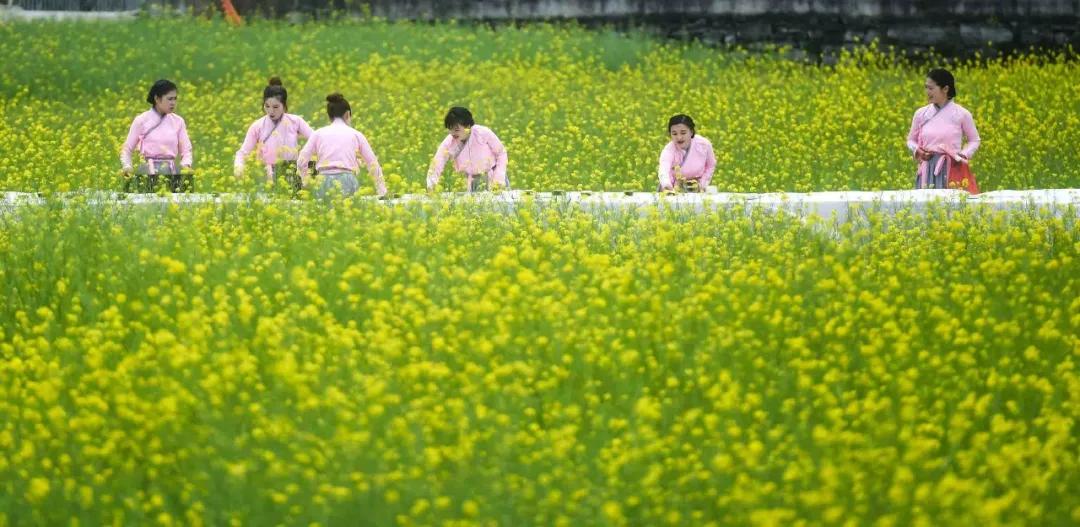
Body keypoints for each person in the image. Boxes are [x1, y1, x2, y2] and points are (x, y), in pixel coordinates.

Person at [297, 93, 387, 198]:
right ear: (347, 114)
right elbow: (372, 163)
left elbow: (301, 161)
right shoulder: (356, 134)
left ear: (329, 116)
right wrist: (382, 191)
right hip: (347, 181)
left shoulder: (318, 133)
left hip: (322, 182)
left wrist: (306, 181)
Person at [906, 68, 981, 192]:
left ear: (945, 89)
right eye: (926, 88)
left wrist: (963, 154)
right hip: (927, 168)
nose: (927, 92)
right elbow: (911, 140)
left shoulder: (961, 114)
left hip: (953, 168)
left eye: (931, 88)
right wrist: (917, 150)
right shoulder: (921, 114)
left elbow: (974, 140)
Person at [234, 77, 314, 188]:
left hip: (291, 173)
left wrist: (304, 159)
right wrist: (239, 167)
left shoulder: (295, 121)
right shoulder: (257, 126)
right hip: (266, 175)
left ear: (284, 106)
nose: (271, 111)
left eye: (276, 107)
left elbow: (316, 139)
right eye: (267, 106)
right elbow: (242, 153)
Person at [120, 79, 193, 190]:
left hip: (172, 171)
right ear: (157, 99)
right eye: (169, 99)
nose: (173, 103)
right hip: (147, 171)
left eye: (175, 99)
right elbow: (127, 149)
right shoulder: (141, 120)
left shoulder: (178, 121)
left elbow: (186, 149)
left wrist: (186, 165)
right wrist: (127, 166)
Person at [426, 107, 509, 192]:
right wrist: (431, 185)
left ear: (468, 126)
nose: (452, 133)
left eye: (456, 130)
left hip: (494, 177)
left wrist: (498, 180)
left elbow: (501, 153)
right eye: (450, 129)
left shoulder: (482, 133)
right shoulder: (450, 142)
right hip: (472, 183)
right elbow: (437, 162)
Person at [657, 114, 716, 192]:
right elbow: (663, 170)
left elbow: (711, 165)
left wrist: (702, 184)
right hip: (674, 186)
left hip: (696, 186)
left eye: (683, 133)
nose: (679, 137)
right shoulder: (669, 150)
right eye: (674, 134)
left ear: (691, 132)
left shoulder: (704, 144)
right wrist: (667, 186)